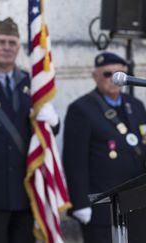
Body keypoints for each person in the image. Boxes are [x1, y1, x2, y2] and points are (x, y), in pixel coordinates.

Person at [0, 17, 59, 243]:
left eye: (12, 42)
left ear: (19, 48)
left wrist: (53, 123)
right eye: (1, 41)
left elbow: (43, 139)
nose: (7, 47)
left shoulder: (33, 84)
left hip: (26, 192)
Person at [63, 52, 146, 243]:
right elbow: (74, 161)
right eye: (108, 74)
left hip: (136, 203)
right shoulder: (82, 109)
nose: (114, 79)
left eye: (119, 73)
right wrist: (80, 203)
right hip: (103, 206)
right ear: (95, 76)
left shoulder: (136, 105)